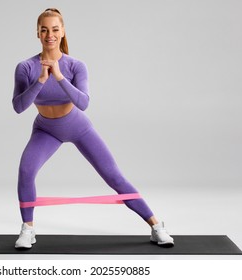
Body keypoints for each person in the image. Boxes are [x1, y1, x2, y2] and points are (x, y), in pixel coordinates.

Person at [12, 8, 174, 249]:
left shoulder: (76, 66)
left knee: (114, 176)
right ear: (37, 32)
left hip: (77, 126)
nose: (50, 35)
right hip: (46, 130)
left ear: (63, 31)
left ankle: (156, 225)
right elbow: (18, 106)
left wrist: (58, 77)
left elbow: (84, 103)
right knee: (26, 170)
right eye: (44, 29)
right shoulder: (25, 67)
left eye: (55, 29)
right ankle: (28, 229)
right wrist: (41, 80)